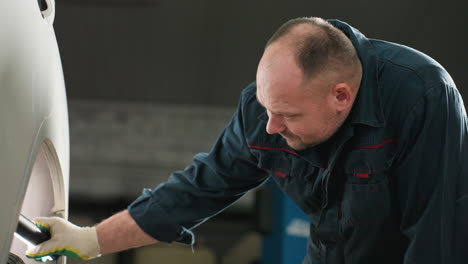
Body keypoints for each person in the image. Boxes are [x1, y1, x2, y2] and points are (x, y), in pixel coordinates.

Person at [26, 17, 468, 264]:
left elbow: (436, 241)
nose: (271, 127)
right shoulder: (266, 113)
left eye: (288, 115)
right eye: (266, 107)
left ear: (341, 97)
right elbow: (193, 192)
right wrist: (91, 239)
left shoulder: (421, 99)